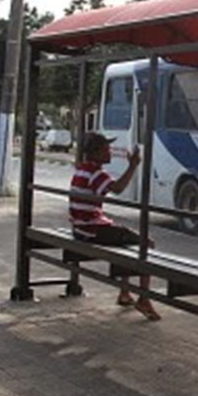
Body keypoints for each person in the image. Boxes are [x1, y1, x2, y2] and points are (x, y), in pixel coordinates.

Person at [69, 132, 161, 321]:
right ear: (95, 153)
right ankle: (144, 297)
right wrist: (133, 165)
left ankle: (125, 293)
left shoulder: (82, 169)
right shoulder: (96, 173)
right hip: (91, 229)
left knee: (124, 241)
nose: (109, 153)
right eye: (105, 150)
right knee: (146, 243)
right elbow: (118, 188)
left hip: (80, 228)